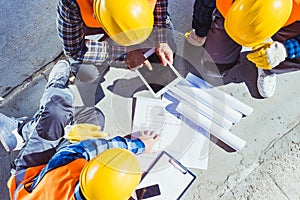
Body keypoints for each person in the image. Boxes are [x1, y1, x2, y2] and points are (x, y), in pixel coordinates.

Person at [0, 60, 160, 199]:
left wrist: (139, 145)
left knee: (56, 111)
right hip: (54, 175)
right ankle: (20, 134)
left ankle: (21, 131)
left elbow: (85, 149)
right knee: (95, 119)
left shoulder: (62, 175)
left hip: (27, 178)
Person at [185, 0, 300, 98]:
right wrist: (200, 32)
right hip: (234, 15)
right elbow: (204, 3)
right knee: (215, 67)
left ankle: (268, 68)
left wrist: (285, 50)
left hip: (292, 21)